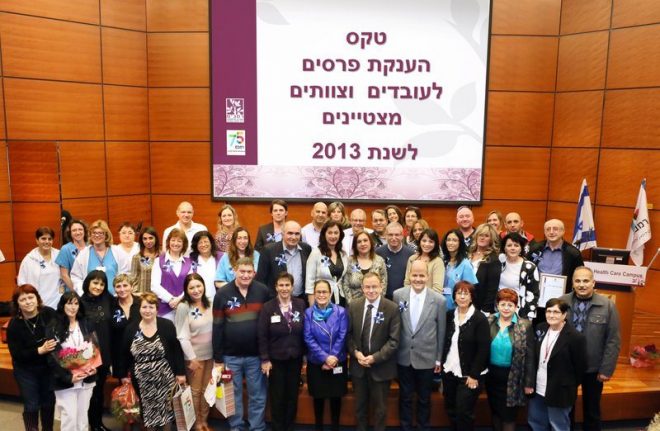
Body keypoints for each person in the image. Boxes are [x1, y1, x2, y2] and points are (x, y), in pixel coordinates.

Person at [212, 257, 273, 431]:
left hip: (256, 356)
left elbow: (269, 323)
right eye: (242, 271)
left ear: (254, 273)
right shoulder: (222, 294)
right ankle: (236, 427)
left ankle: (257, 427)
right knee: (233, 395)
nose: (246, 275)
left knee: (258, 395)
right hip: (230, 356)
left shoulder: (263, 291)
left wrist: (267, 355)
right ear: (234, 271)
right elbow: (217, 326)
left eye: (249, 272)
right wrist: (218, 358)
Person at [560, 267, 621, 431]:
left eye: (586, 281)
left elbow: (613, 340)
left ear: (593, 283)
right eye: (578, 281)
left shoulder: (607, 306)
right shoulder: (561, 302)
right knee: (566, 409)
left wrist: (606, 369)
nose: (582, 285)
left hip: (593, 367)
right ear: (572, 283)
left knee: (592, 410)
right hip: (567, 366)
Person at [116, 293, 187, 430]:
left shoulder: (166, 325)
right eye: (144, 307)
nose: (147, 310)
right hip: (142, 379)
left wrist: (181, 373)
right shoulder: (131, 329)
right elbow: (123, 354)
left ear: (156, 309)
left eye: (151, 307)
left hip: (165, 376)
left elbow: (176, 350)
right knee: (148, 413)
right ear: (139, 309)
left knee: (166, 411)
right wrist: (123, 375)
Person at [393, 260, 446, 431]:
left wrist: (438, 359)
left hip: (427, 357)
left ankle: (424, 427)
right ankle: (405, 427)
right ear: (409, 275)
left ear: (428, 276)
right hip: (404, 356)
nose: (418, 279)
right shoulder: (398, 295)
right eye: (415, 275)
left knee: (424, 398)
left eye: (421, 275)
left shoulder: (439, 300)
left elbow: (441, 331)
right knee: (405, 397)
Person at [347, 272, 400, 431]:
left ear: (381, 287)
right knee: (360, 409)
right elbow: (348, 335)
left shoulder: (392, 308)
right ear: (362, 288)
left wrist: (374, 358)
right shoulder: (353, 306)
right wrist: (356, 353)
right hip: (358, 368)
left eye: (374, 286)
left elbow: (394, 341)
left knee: (380, 411)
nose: (371, 290)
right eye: (367, 287)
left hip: (381, 368)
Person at [527, 298, 587, 431]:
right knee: (536, 423)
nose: (551, 315)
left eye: (556, 312)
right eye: (548, 311)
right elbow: (533, 357)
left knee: (558, 426)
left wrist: (567, 385)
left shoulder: (575, 337)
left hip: (560, 390)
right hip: (538, 388)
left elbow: (580, 367)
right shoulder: (540, 328)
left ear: (564, 315)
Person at [257, 273, 306, 431]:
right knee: (277, 397)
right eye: (281, 285)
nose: (284, 288)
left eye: (287, 285)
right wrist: (265, 359)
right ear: (276, 287)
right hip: (275, 360)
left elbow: (305, 331)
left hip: (295, 358)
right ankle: (278, 428)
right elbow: (262, 335)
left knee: (292, 396)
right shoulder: (268, 307)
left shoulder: (300, 304)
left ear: (292, 287)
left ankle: (289, 426)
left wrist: (305, 355)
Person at [7, 285, 57, 431]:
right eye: (23, 299)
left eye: (31, 297)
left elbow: (61, 331)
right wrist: (39, 350)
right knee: (32, 405)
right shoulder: (14, 325)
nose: (28, 302)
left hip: (48, 367)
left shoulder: (49, 313)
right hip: (25, 370)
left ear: (37, 299)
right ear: (17, 304)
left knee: (48, 403)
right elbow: (16, 354)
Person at [442, 281, 489, 431]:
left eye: (466, 294)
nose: (462, 297)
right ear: (454, 296)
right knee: (450, 409)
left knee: (464, 413)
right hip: (449, 371)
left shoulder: (480, 319)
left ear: (471, 297)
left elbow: (483, 349)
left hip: (469, 376)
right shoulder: (449, 315)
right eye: (459, 293)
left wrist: (474, 375)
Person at [48, 292, 99, 431]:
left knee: (83, 417)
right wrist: (68, 377)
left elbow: (94, 348)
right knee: (69, 418)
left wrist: (93, 366)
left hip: (86, 377)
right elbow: (52, 357)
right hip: (66, 379)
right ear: (62, 305)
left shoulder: (86, 323)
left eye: (76, 303)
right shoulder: (53, 326)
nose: (73, 307)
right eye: (69, 303)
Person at [485, 289, 535, 431]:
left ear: (516, 307)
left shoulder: (525, 325)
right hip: (491, 376)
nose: (506, 308)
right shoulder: (489, 321)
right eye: (503, 304)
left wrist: (529, 383)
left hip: (513, 377)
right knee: (495, 412)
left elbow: (530, 357)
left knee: (508, 416)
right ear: (497, 305)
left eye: (510, 305)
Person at [304, 280, 349, 431]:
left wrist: (332, 357)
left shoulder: (341, 311)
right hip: (317, 362)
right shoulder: (308, 313)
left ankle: (335, 427)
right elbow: (308, 338)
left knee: (336, 397)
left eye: (325, 292)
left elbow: (342, 335)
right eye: (318, 292)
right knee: (318, 398)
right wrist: (325, 358)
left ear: (330, 293)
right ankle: (319, 427)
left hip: (337, 361)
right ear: (314, 294)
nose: (321, 295)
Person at [175, 274, 214, 431]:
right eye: (191, 288)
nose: (196, 290)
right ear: (186, 290)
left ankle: (204, 421)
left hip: (211, 355)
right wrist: (192, 358)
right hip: (194, 357)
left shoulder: (210, 303)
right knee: (195, 392)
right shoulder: (183, 307)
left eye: (199, 286)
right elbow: (182, 336)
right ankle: (197, 423)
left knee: (206, 390)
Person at [79, 270, 113, 431]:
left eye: (102, 284)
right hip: (87, 356)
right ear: (88, 283)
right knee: (87, 391)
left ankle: (97, 424)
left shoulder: (108, 299)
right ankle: (87, 424)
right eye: (95, 283)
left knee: (99, 391)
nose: (98, 287)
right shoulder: (79, 302)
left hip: (104, 354)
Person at [70, 220, 130, 296]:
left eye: (100, 233)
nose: (97, 235)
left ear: (106, 235)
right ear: (90, 235)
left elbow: (126, 274)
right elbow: (76, 277)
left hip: (114, 298)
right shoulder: (83, 254)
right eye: (94, 233)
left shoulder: (118, 252)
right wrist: (83, 293)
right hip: (91, 299)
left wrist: (121, 292)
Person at [257, 221, 311, 301]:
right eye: (290, 233)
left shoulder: (306, 249)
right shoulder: (269, 250)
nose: (293, 237)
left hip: (301, 301)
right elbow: (261, 279)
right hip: (275, 301)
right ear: (282, 234)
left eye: (297, 234)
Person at [528, 219, 584, 294]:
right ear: (544, 232)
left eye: (555, 229)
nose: (551, 232)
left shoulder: (573, 253)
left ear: (563, 231)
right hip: (536, 293)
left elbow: (580, 275)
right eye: (548, 229)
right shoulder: (535, 249)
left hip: (562, 295)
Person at [496, 232, 540, 320]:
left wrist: (526, 317)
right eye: (509, 245)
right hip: (498, 309)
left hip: (520, 312)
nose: (513, 248)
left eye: (516, 245)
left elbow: (533, 295)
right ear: (504, 248)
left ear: (521, 248)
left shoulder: (529, 267)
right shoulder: (498, 263)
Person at [151, 228, 193, 320]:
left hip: (184, 306)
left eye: (179, 241)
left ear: (184, 244)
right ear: (168, 242)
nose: (175, 243)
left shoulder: (189, 262)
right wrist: (171, 299)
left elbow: (191, 285)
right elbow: (154, 285)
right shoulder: (158, 261)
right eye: (173, 240)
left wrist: (179, 300)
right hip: (164, 308)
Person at [305, 221, 348, 305]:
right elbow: (309, 283)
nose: (333, 236)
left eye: (336, 233)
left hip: (340, 299)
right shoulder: (316, 253)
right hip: (321, 299)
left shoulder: (343, 254)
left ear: (340, 235)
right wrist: (312, 307)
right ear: (324, 234)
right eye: (330, 233)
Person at [18, 226, 62, 309]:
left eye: (50, 239)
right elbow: (22, 283)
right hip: (37, 303)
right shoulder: (29, 259)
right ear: (37, 240)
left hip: (57, 301)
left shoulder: (60, 255)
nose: (47, 241)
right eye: (43, 238)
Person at [341, 231, 388, 304]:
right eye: (359, 242)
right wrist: (352, 305)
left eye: (365, 240)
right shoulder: (349, 261)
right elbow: (345, 285)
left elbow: (383, 284)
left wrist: (376, 303)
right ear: (355, 245)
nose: (362, 244)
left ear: (370, 242)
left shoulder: (379, 261)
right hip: (354, 305)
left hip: (375, 304)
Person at [109, 274, 141, 381]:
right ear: (114, 289)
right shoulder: (111, 305)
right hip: (120, 356)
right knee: (124, 389)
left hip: (141, 353)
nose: (122, 289)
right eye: (118, 286)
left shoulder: (141, 303)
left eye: (125, 285)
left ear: (131, 287)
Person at [441, 229, 478, 311]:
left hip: (456, 308)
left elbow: (470, 289)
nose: (451, 243)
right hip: (440, 305)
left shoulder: (465, 264)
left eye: (454, 240)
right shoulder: (443, 261)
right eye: (448, 240)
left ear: (460, 243)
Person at [376, 222, 415, 299]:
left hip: (403, 297)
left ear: (402, 236)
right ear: (386, 236)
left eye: (397, 235)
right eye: (390, 235)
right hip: (383, 298)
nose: (393, 238)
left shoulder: (411, 254)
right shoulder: (378, 252)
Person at [469, 224, 501, 313]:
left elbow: (492, 290)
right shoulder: (468, 254)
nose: (482, 238)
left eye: (486, 236)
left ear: (491, 239)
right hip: (464, 302)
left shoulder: (493, 260)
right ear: (476, 236)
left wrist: (485, 311)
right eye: (480, 235)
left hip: (480, 307)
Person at [404, 228, 445, 294]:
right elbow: (407, 282)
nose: (426, 244)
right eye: (424, 240)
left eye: (431, 242)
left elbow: (437, 289)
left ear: (435, 244)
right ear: (420, 241)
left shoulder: (438, 262)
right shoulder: (412, 258)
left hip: (430, 299)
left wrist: (422, 298)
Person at [190, 230, 223, 302]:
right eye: (200, 242)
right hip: (197, 300)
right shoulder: (191, 259)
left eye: (206, 241)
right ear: (196, 245)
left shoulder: (222, 257)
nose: (203, 245)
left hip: (219, 299)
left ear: (211, 242)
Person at [56, 219, 88, 293]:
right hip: (73, 291)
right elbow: (64, 275)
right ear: (70, 233)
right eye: (74, 230)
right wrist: (77, 292)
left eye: (80, 229)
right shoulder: (65, 249)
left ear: (84, 231)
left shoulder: (91, 247)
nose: (78, 232)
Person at [130, 226, 160, 294]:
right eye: (145, 239)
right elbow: (133, 279)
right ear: (142, 241)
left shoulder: (162, 256)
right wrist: (136, 294)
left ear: (156, 239)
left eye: (151, 238)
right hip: (142, 295)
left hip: (159, 295)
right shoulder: (137, 257)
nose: (148, 241)